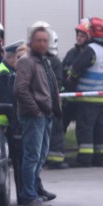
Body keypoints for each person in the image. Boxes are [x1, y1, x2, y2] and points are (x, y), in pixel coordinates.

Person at [14, 24, 62, 206]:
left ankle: (34, 191)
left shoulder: (43, 61)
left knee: (40, 156)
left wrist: (54, 111)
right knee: (32, 156)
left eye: (45, 40)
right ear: (31, 42)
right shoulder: (27, 61)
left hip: (45, 115)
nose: (42, 44)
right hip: (34, 116)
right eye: (39, 40)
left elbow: (50, 86)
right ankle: (29, 196)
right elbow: (21, 89)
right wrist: (35, 111)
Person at [65, 18, 103, 167]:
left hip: (87, 97)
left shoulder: (91, 49)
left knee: (85, 129)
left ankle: (84, 159)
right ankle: (100, 158)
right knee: (100, 129)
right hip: (101, 97)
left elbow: (76, 68)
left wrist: (70, 79)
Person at [0, 40, 25, 205]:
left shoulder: (8, 71)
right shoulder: (3, 74)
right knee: (17, 162)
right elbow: (7, 101)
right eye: (17, 58)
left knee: (20, 161)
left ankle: (23, 194)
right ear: (11, 58)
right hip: (6, 125)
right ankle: (21, 195)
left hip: (11, 123)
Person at [61, 19, 91, 132]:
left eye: (82, 36)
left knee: (83, 128)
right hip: (69, 99)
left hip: (84, 100)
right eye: (78, 35)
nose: (78, 38)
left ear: (88, 37)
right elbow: (62, 70)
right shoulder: (71, 53)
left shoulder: (90, 54)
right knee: (61, 124)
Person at [45, 29, 69, 169]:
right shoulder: (55, 62)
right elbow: (58, 83)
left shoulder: (36, 60)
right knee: (56, 130)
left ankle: (46, 158)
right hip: (52, 103)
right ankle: (55, 160)